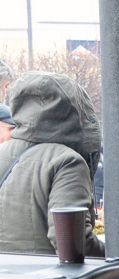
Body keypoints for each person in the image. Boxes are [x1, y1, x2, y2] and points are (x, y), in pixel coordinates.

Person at [0, 71, 104, 258]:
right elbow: (74, 243)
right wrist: (117, 255)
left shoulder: (3, 151)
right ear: (75, 112)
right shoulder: (66, 161)